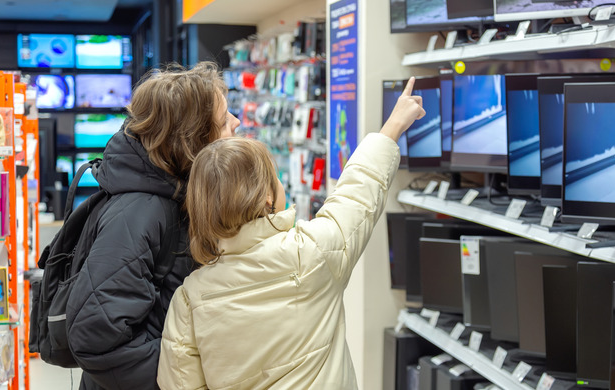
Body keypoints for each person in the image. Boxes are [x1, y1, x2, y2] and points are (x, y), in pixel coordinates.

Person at [157, 78, 425, 389]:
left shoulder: (190, 298)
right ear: (267, 197)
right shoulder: (313, 253)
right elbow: (358, 193)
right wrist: (394, 123)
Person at [65, 61, 241, 390]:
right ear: (191, 140)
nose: (236, 122)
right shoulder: (141, 212)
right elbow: (97, 338)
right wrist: (184, 377)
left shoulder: (174, 197)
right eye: (223, 120)